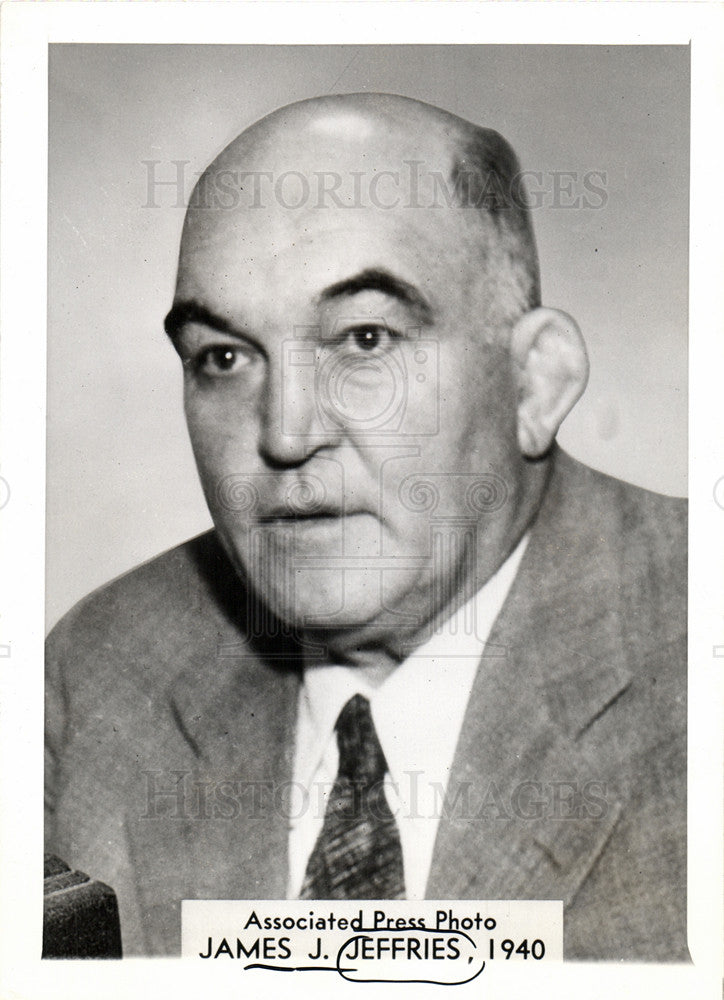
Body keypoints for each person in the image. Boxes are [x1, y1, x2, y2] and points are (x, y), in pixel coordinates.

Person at [45, 93, 687, 960]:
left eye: (364, 339)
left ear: (535, 382)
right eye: (223, 357)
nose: (285, 432)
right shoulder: (102, 670)